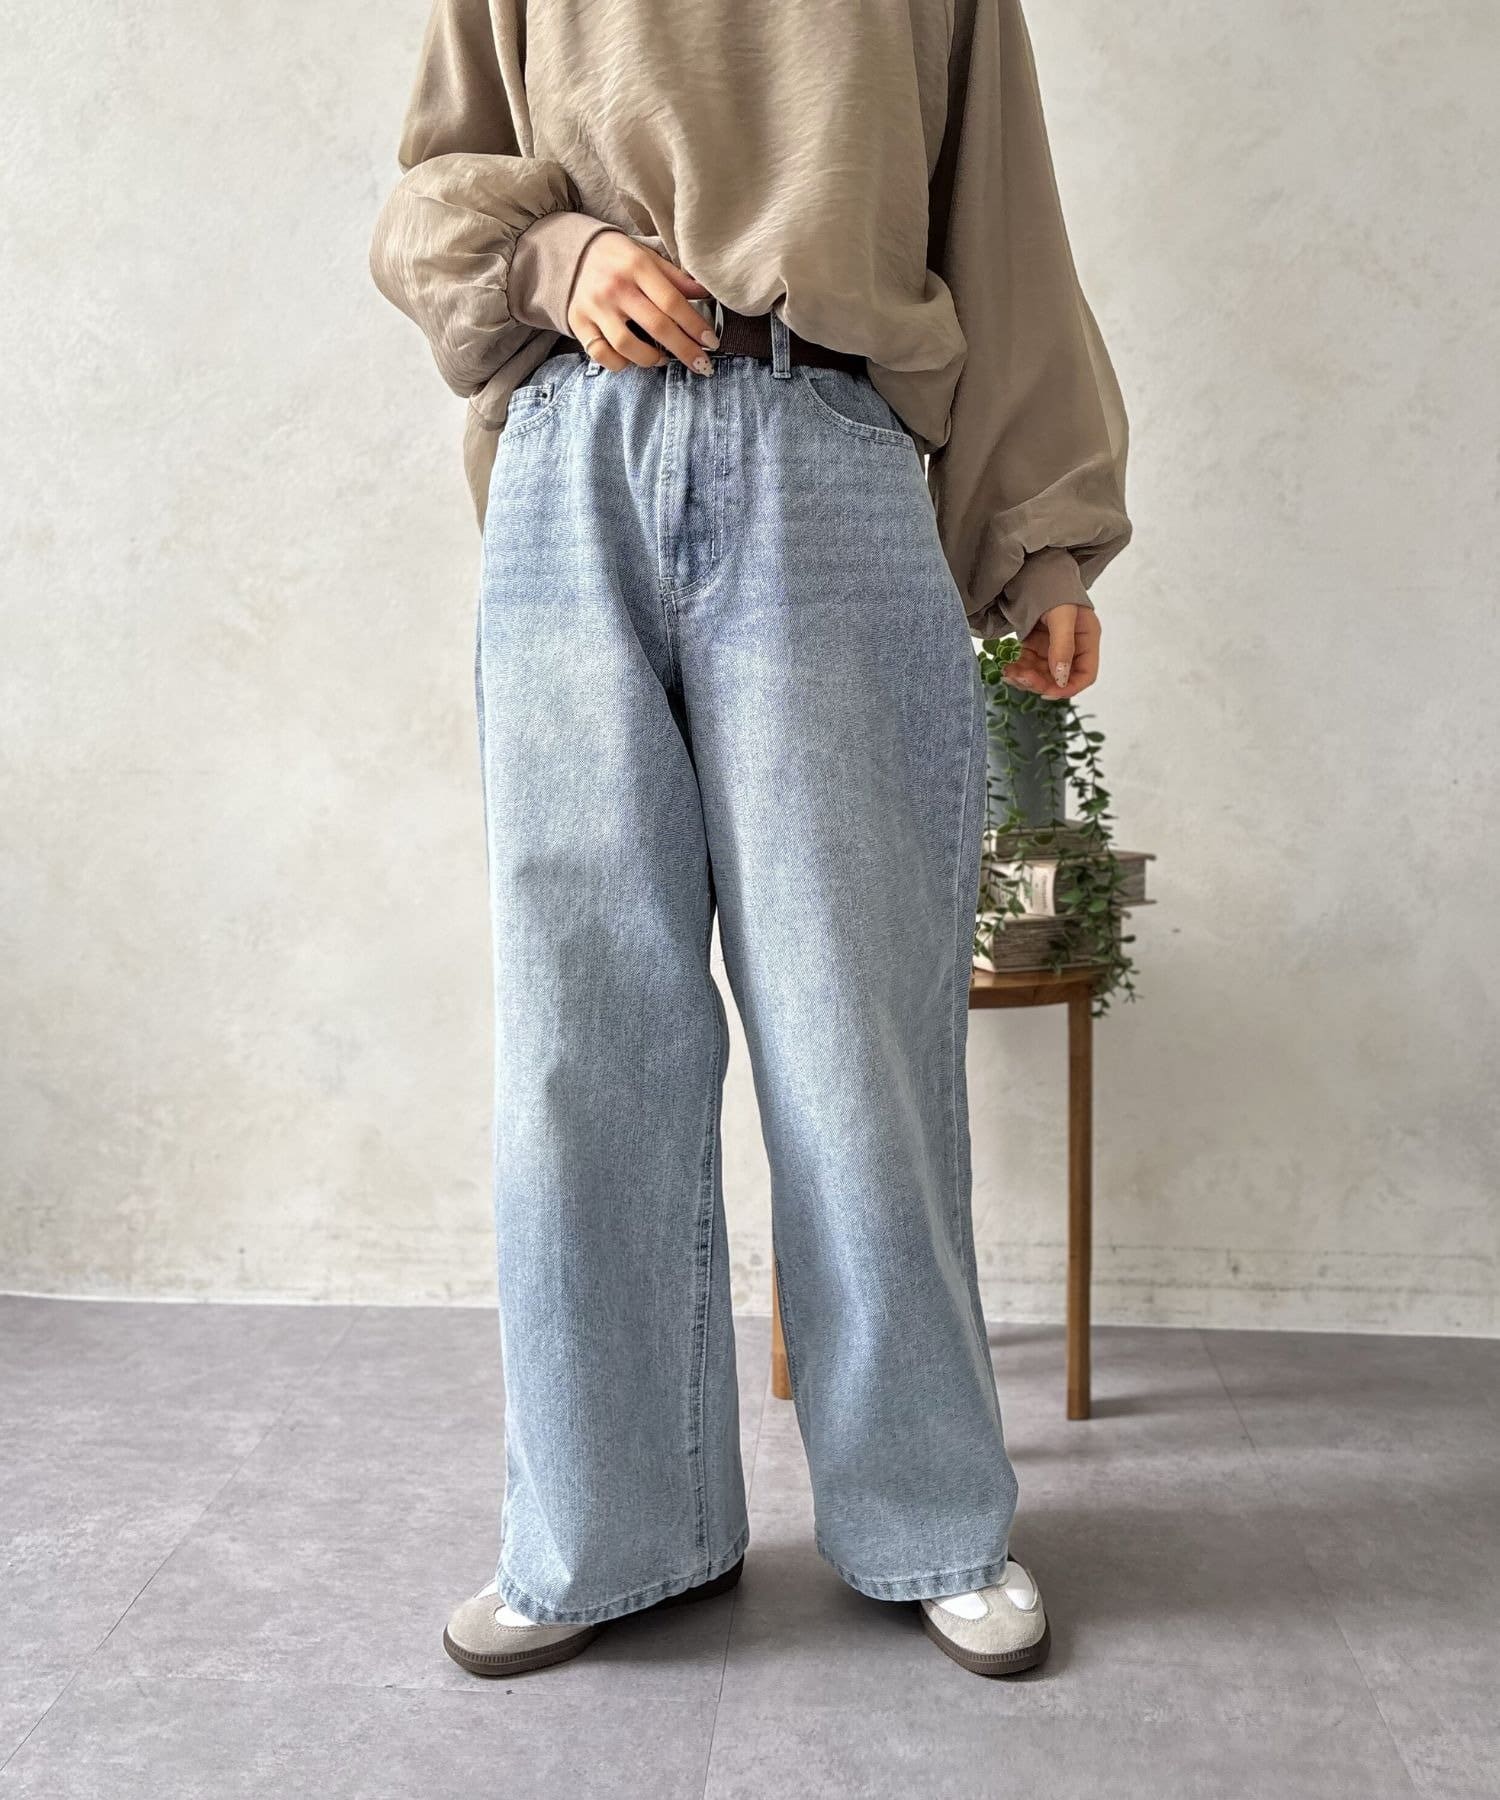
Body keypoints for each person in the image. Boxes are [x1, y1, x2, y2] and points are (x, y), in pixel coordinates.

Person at [369, 0, 1131, 1680]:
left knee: (859, 1035)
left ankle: (929, 1514)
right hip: (574, 456)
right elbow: (430, 190)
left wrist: (1045, 542)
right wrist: (553, 254)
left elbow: (1000, 220)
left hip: (831, 452)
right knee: (580, 1040)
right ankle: (601, 1533)